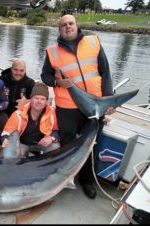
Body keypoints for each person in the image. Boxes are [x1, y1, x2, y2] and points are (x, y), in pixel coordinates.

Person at [41, 14, 115, 199]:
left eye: (70, 23)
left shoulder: (93, 43)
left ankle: (87, 180)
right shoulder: (52, 52)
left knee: (91, 144)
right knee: (67, 143)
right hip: (67, 107)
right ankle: (64, 178)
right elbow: (45, 76)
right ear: (59, 29)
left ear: (76, 25)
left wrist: (109, 99)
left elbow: (105, 72)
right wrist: (57, 82)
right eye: (63, 25)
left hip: (93, 105)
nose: (68, 27)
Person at [0, 82, 60, 159]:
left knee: (55, 146)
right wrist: (5, 139)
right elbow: (7, 132)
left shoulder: (52, 113)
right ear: (30, 99)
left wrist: (51, 138)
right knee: (8, 155)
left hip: (41, 145)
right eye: (36, 98)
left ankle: (46, 166)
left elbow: (57, 130)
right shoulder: (18, 114)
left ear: (46, 101)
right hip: (22, 144)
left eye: (42, 99)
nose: (39, 101)